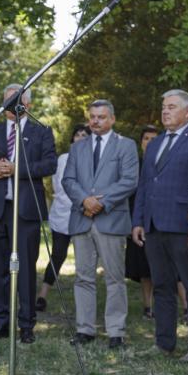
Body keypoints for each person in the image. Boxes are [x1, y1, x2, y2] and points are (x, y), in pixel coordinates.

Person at [131, 90, 188, 362]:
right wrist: (138, 220)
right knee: (162, 285)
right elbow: (145, 183)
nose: (165, 111)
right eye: (164, 107)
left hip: (184, 224)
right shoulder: (155, 143)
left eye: (172, 107)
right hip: (154, 226)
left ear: (187, 112)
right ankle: (164, 343)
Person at [0, 85, 57, 344]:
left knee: (25, 269)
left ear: (27, 105)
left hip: (25, 210)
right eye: (6, 100)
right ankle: (2, 321)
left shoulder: (41, 131)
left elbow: (49, 165)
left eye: (14, 100)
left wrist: (15, 168)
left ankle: (26, 324)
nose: (9, 104)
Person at [64, 100, 139, 349]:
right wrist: (84, 201)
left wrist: (101, 203)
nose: (96, 121)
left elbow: (129, 181)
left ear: (112, 119)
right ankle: (84, 329)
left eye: (101, 117)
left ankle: (116, 332)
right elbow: (68, 179)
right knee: (83, 277)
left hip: (111, 219)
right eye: (93, 117)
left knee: (115, 278)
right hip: (82, 218)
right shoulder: (78, 147)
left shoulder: (126, 145)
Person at [37, 124, 89, 313]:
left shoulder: (93, 159)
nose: (81, 137)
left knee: (85, 258)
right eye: (78, 134)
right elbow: (59, 187)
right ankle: (42, 295)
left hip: (85, 215)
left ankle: (84, 301)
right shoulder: (63, 160)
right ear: (72, 138)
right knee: (58, 254)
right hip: (63, 214)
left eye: (85, 135)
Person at [127, 124, 158, 319]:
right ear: (141, 143)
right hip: (137, 223)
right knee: (144, 269)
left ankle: (187, 308)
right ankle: (148, 306)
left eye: (154, 139)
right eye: (146, 138)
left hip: (160, 222)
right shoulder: (134, 165)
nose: (150, 142)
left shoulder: (164, 162)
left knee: (173, 270)